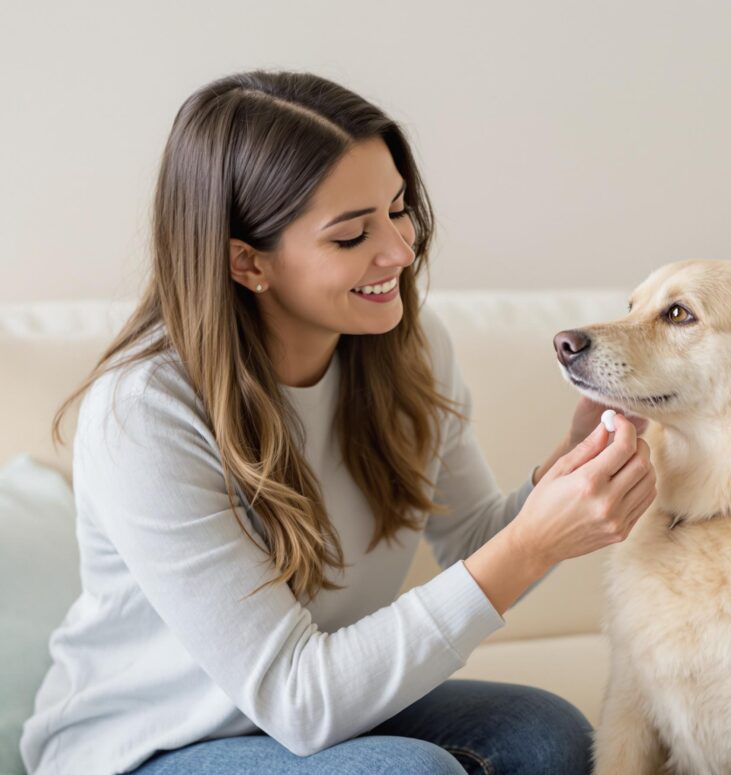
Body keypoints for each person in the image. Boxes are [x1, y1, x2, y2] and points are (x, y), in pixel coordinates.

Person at [19, 69, 657, 775]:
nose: (399, 251)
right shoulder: (145, 414)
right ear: (247, 261)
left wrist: (572, 463)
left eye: (397, 209)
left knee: (545, 733)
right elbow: (297, 695)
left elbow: (474, 538)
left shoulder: (408, 346)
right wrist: (533, 545)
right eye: (352, 235)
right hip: (149, 745)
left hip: (311, 717)